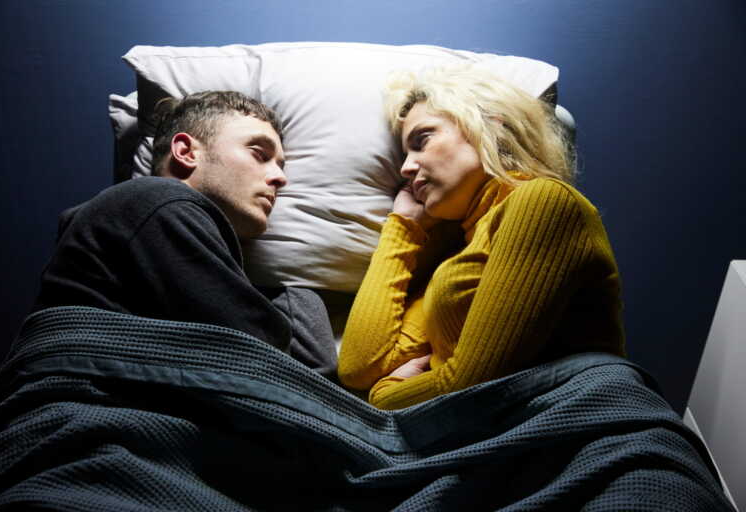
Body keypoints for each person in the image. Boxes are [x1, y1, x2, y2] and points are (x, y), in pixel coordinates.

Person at [338, 64, 626, 410]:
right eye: (406, 154)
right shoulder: (457, 255)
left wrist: (384, 396)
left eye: (422, 140)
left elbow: (473, 389)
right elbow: (358, 368)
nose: (406, 168)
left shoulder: (545, 200)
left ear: (490, 124)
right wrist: (402, 227)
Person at [32, 90, 336, 375]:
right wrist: (296, 302)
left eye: (281, 165)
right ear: (186, 151)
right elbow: (264, 364)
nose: (281, 178)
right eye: (259, 153)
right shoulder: (151, 199)